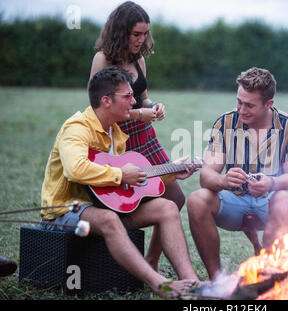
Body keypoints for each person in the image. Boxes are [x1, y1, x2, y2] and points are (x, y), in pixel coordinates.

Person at [40, 66, 199, 298]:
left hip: (104, 207)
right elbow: (76, 169)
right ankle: (159, 283)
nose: (134, 102)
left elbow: (129, 180)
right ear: (106, 100)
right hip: (64, 211)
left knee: (167, 206)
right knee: (109, 219)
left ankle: (192, 281)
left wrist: (172, 172)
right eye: (128, 96)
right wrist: (121, 175)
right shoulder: (76, 129)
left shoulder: (116, 133)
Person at [89, 1, 192, 272]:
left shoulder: (139, 59)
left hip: (145, 136)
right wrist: (137, 115)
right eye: (136, 34)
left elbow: (142, 98)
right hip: (118, 139)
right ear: (121, 31)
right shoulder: (103, 59)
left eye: (145, 34)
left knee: (176, 198)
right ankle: (118, 246)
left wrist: (153, 107)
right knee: (128, 201)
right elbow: (98, 110)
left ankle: (151, 260)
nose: (141, 39)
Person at [187, 67, 288, 279]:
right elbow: (206, 176)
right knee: (197, 199)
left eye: (249, 105)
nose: (241, 110)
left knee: (287, 200)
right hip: (233, 200)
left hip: (271, 200)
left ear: (268, 104)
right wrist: (223, 180)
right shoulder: (225, 123)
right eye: (239, 102)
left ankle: (267, 277)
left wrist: (271, 182)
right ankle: (217, 280)